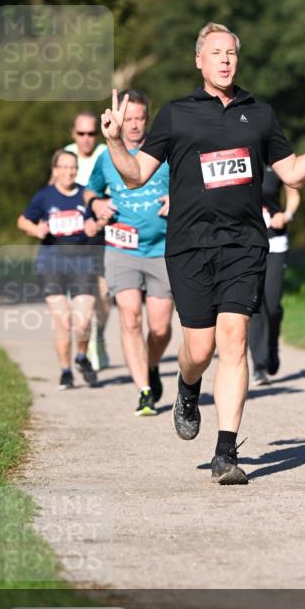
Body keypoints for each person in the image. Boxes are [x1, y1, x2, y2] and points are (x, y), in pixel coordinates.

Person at [100, 22, 305, 485]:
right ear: (199, 61)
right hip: (189, 246)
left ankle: (225, 452)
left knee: (234, 340)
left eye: (231, 52)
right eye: (216, 52)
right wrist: (114, 140)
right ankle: (187, 385)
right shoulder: (176, 114)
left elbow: (293, 174)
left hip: (244, 244)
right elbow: (135, 175)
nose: (225, 60)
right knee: (199, 348)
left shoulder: (260, 114)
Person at [85, 89, 173, 417]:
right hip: (122, 248)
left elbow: (191, 185)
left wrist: (176, 198)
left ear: (147, 119)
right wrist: (96, 203)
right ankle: (144, 391)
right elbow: (90, 190)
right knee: (131, 317)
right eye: (129, 119)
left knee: (160, 328)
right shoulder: (107, 156)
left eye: (140, 118)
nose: (134, 125)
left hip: (163, 248)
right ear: (120, 121)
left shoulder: (163, 151)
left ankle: (151, 364)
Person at [17, 149, 101, 389]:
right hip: (51, 262)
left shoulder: (86, 194)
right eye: (64, 167)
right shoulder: (44, 196)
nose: (69, 172)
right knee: (63, 321)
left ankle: (81, 356)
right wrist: (36, 230)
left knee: (83, 321)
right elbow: (22, 220)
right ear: (55, 170)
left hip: (83, 262)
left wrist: (96, 225)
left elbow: (103, 216)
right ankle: (65, 371)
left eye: (72, 167)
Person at [64, 112, 110, 371]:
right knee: (79, 298)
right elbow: (54, 190)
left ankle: (99, 336)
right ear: (74, 134)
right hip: (72, 236)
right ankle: (81, 347)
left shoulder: (106, 153)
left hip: (101, 232)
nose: (86, 138)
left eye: (91, 133)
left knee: (104, 294)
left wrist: (99, 223)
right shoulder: (66, 155)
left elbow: (115, 195)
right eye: (81, 133)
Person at [249, 171, 300, 385]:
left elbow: (294, 194)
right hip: (247, 242)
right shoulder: (240, 159)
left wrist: (286, 215)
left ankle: (272, 344)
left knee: (272, 304)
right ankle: (259, 365)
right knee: (255, 304)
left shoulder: (277, 163)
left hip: (275, 241)